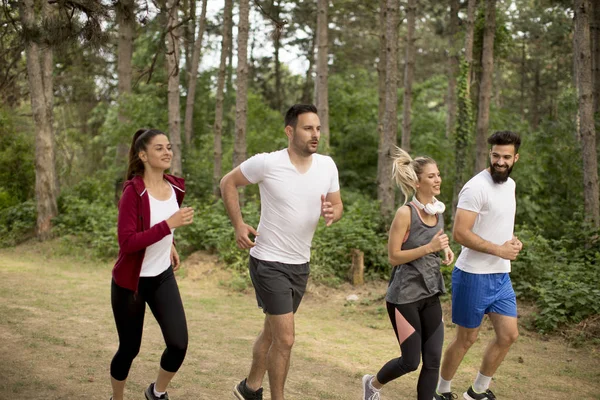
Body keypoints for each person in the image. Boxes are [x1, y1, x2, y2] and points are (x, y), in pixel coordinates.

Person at [220, 104, 343, 400]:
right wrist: (238, 224)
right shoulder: (268, 163)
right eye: (307, 128)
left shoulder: (327, 165)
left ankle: (249, 388)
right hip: (268, 260)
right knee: (286, 339)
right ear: (290, 131)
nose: (315, 134)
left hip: (300, 263)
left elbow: (338, 206)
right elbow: (228, 182)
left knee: (273, 333)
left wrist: (332, 213)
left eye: (317, 128)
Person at [434, 131, 523, 400]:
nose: (500, 161)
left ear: (515, 158)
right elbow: (460, 233)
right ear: (490, 154)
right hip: (473, 275)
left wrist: (512, 244)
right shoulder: (476, 187)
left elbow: (498, 226)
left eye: (506, 157)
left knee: (508, 335)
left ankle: (477, 391)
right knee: (466, 339)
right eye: (496, 155)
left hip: (500, 276)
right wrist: (499, 249)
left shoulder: (511, 186)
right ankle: (441, 391)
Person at [361, 147, 454, 400]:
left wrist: (445, 250)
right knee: (411, 361)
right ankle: (372, 384)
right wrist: (429, 248)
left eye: (438, 174)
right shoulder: (405, 213)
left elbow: (435, 242)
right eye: (432, 176)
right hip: (405, 297)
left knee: (433, 359)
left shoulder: (437, 210)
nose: (438, 180)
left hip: (431, 292)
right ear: (417, 181)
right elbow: (394, 257)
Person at [110, 128, 195, 400]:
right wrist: (168, 226)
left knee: (179, 344)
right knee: (129, 349)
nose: (167, 152)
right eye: (159, 148)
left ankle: (157, 392)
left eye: (168, 146)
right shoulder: (133, 193)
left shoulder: (175, 188)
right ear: (143, 155)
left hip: (161, 277)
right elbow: (128, 243)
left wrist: (170, 243)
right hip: (131, 283)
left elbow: (157, 225)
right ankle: (117, 398)